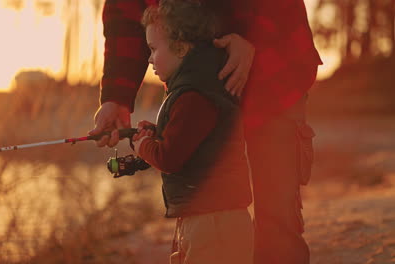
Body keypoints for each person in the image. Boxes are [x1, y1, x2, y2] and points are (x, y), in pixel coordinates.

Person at [90, 0, 322, 263]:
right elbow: (126, 14)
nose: (149, 57)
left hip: (272, 70)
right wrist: (116, 98)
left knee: (277, 222)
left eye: (153, 49)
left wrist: (250, 38)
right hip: (197, 80)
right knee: (204, 214)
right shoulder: (191, 96)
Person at [131, 1, 253, 263]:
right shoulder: (196, 88)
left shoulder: (194, 96)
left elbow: (169, 158)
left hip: (213, 220)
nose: (149, 58)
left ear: (182, 47)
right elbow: (189, 141)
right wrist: (155, 134)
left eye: (153, 49)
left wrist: (143, 147)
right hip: (208, 216)